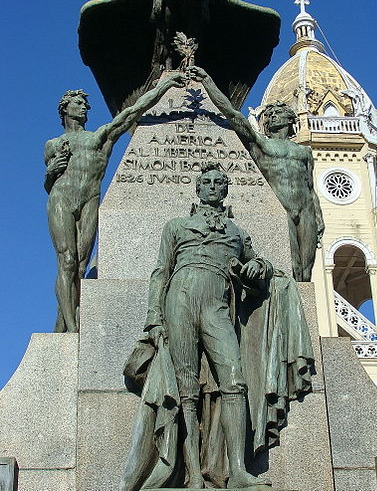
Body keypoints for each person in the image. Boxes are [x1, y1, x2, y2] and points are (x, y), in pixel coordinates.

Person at [120, 164, 314, 490]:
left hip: (216, 305)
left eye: (218, 182)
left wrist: (257, 267)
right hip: (179, 300)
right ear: (198, 188)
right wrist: (154, 318)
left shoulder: (236, 233)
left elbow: (259, 264)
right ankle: (193, 475)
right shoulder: (177, 226)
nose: (212, 186)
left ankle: (237, 470)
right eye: (206, 182)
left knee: (234, 382)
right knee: (186, 390)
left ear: (225, 189)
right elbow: (160, 273)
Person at [44, 73, 185, 332]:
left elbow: (132, 112)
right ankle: (72, 327)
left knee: (82, 265)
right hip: (61, 198)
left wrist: (163, 87)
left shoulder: (100, 137)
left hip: (90, 198)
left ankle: (64, 318)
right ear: (65, 109)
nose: (84, 107)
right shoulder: (53, 144)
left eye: (85, 105)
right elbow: (48, 182)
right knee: (66, 260)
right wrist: (53, 171)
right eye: (78, 103)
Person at [186, 66, 324, 282]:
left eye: (278, 113)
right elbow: (232, 114)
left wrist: (318, 216)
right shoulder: (261, 144)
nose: (272, 117)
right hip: (281, 209)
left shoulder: (304, 151)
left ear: (290, 119)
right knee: (292, 267)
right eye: (270, 115)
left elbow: (310, 187)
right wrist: (208, 82)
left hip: (306, 210)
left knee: (306, 273)